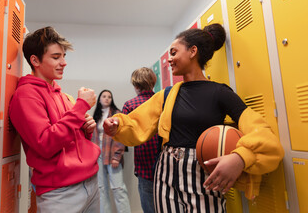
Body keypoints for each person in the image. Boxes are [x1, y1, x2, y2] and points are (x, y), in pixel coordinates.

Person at [103, 23, 284, 212]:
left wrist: (240, 157)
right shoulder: (166, 95)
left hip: (204, 176)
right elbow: (135, 123)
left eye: (173, 53)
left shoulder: (220, 92)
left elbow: (263, 134)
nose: (169, 60)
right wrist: (117, 124)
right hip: (165, 175)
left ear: (192, 51)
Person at [9, 26, 101, 212]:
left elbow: (71, 138)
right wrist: (82, 106)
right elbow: (46, 143)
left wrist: (86, 129)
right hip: (61, 193)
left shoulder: (62, 95)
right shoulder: (25, 95)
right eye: (56, 57)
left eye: (64, 56)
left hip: (90, 182)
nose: (64, 62)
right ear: (35, 60)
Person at [121, 67, 158, 213]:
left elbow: (125, 138)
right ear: (153, 82)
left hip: (145, 167)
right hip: (165, 166)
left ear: (136, 85)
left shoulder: (130, 105)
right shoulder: (163, 101)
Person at [91, 90, 131, 213]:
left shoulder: (117, 114)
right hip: (98, 155)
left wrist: (117, 156)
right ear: (99, 99)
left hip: (112, 154)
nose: (107, 98)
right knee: (101, 188)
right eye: (104, 96)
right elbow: (93, 137)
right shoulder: (96, 116)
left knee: (118, 188)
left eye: (109, 96)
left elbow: (120, 136)